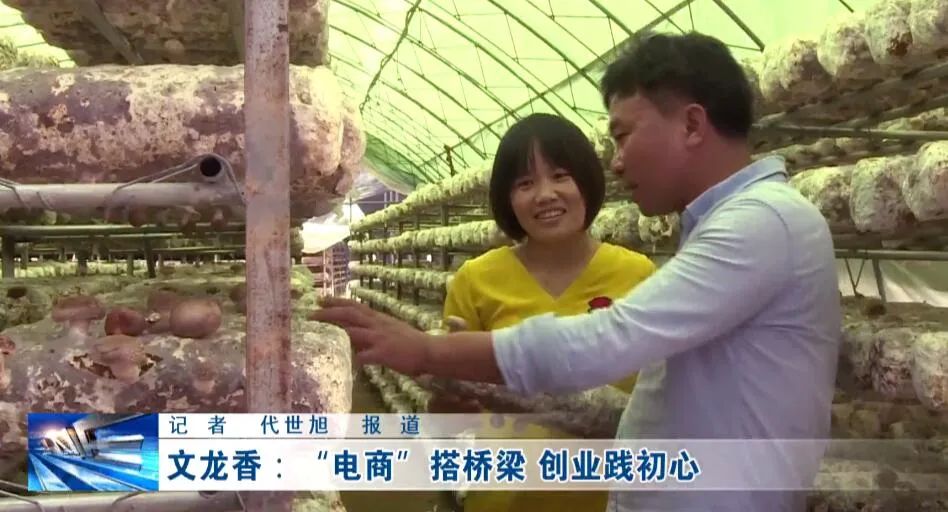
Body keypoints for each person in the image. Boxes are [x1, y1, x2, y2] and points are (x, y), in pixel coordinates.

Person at [314, 31, 841, 512]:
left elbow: (607, 341)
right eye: (524, 184)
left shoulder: (759, 224)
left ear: (691, 125)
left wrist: (429, 353)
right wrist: (470, 390)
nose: (618, 161)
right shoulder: (725, 227)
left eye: (624, 136)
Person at [432, 112, 655, 512]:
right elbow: (446, 426)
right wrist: (450, 394)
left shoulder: (638, 275)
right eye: (525, 183)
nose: (545, 194)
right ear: (507, 199)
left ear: (586, 181)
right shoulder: (475, 281)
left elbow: (667, 400)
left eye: (560, 176)